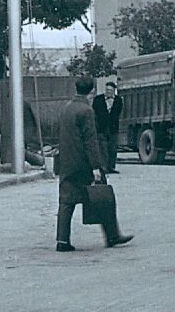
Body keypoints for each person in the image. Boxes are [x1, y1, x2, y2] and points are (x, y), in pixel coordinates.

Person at [55, 76, 132, 252]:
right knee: (104, 197)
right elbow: (91, 141)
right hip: (83, 164)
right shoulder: (87, 111)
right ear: (91, 92)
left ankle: (62, 240)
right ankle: (112, 235)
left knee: (66, 202)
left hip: (67, 162)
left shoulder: (67, 109)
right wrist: (97, 166)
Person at [92, 78, 122, 174]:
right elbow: (94, 112)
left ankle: (111, 166)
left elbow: (118, 112)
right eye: (107, 90)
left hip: (113, 127)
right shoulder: (98, 99)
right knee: (102, 148)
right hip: (101, 127)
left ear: (114, 91)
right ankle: (103, 167)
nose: (108, 92)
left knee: (112, 148)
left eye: (110, 90)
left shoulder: (118, 100)